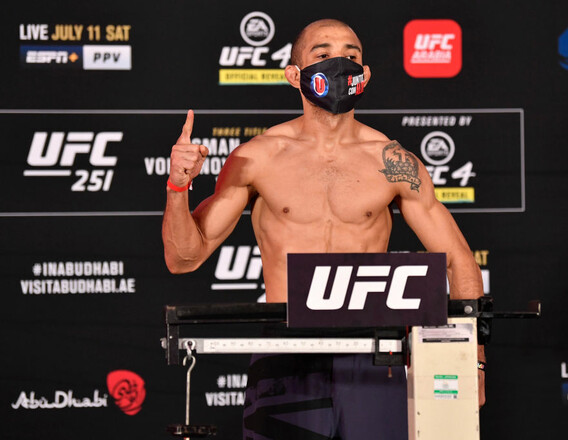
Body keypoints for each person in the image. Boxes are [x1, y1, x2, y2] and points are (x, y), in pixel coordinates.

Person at [163, 18, 485, 440]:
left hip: (373, 351)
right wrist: (177, 187)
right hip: (286, 348)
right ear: (293, 74)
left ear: (365, 75)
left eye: (352, 55)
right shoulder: (257, 158)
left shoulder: (393, 162)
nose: (340, 63)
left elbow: (459, 261)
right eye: (324, 54)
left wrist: (473, 360)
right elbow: (184, 258)